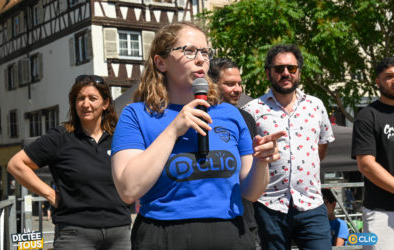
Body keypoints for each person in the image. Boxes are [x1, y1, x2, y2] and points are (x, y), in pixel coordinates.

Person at [111, 21, 285, 250]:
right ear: (160, 62)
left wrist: (262, 163)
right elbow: (128, 190)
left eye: (205, 52)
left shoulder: (231, 115)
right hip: (163, 236)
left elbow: (251, 193)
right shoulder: (137, 115)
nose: (201, 59)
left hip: (230, 234)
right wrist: (173, 130)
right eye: (189, 51)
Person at [7, 75, 132, 250]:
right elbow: (16, 164)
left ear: (105, 104)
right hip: (76, 233)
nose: (85, 104)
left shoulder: (120, 137)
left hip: (119, 233)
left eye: (92, 98)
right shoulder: (61, 137)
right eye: (80, 98)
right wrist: (50, 194)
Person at [242, 44, 335, 250]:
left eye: (291, 68)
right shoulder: (251, 110)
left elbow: (322, 146)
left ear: (299, 72)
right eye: (279, 69)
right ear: (268, 73)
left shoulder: (316, 106)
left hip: (311, 203)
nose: (285, 73)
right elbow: (246, 157)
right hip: (269, 205)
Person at [209, 57, 261, 249]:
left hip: (243, 222)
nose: (238, 89)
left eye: (239, 84)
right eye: (230, 84)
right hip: (208, 223)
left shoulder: (245, 118)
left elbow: (249, 176)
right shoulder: (195, 115)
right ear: (211, 84)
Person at [351, 56, 394, 250]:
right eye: (389, 76)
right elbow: (366, 164)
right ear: (377, 82)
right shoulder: (368, 115)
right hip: (381, 212)